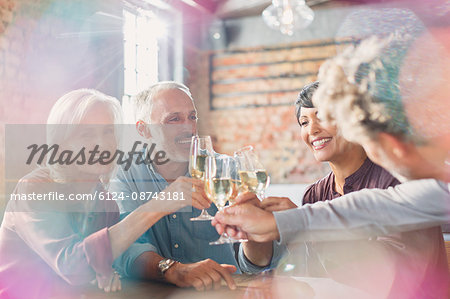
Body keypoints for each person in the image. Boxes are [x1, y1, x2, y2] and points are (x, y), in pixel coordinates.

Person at [212, 34, 450, 298]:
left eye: (325, 116)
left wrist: (290, 226)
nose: (312, 129)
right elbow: (372, 209)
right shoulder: (317, 194)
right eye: (303, 122)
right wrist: (277, 227)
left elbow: (390, 267)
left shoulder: (411, 183)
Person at [0, 89, 195, 299]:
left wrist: (105, 272)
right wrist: (156, 206)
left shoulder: (103, 200)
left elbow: (96, 267)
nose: (103, 144)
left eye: (108, 131)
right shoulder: (34, 189)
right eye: (87, 134)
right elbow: (73, 266)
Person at [111, 81, 238, 291]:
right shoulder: (124, 174)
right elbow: (127, 247)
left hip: (226, 290)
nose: (189, 128)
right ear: (144, 130)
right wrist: (173, 270)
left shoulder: (226, 170)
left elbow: (253, 255)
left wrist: (262, 230)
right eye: (174, 119)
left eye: (192, 117)